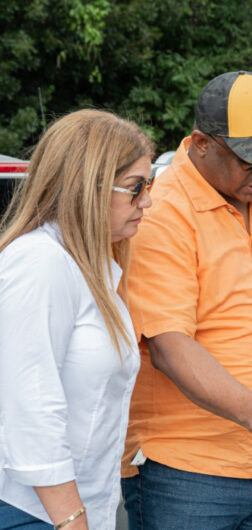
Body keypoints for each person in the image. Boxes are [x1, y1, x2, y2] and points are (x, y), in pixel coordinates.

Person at [120, 71, 252, 529]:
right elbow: (170, 349)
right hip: (187, 475)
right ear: (200, 144)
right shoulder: (160, 214)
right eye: (250, 159)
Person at [0, 109, 153, 529]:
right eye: (136, 188)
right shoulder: (39, 262)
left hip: (72, 508)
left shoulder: (93, 268)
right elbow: (30, 409)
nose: (148, 201)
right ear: (89, 185)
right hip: (31, 512)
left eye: (149, 185)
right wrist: (71, 519)